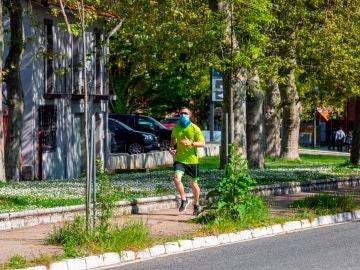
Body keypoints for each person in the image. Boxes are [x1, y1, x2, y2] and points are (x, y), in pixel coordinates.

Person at [168, 107, 205, 216]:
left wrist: (192, 143)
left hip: (192, 160)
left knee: (193, 183)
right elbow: (173, 139)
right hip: (180, 159)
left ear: (189, 115)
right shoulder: (176, 128)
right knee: (176, 179)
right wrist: (171, 147)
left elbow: (202, 143)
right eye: (181, 113)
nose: (182, 115)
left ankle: (196, 204)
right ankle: (184, 200)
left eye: (185, 113)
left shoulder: (195, 128)